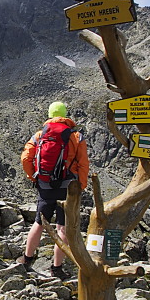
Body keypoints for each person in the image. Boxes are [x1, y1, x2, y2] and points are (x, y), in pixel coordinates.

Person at [17, 101, 89, 279]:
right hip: (68, 188)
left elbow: (26, 158)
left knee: (39, 223)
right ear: (66, 116)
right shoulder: (76, 136)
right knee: (62, 228)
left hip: (45, 185)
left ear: (50, 115)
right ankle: (56, 268)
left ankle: (27, 259)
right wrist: (81, 186)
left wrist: (34, 177)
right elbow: (83, 164)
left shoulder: (40, 135)